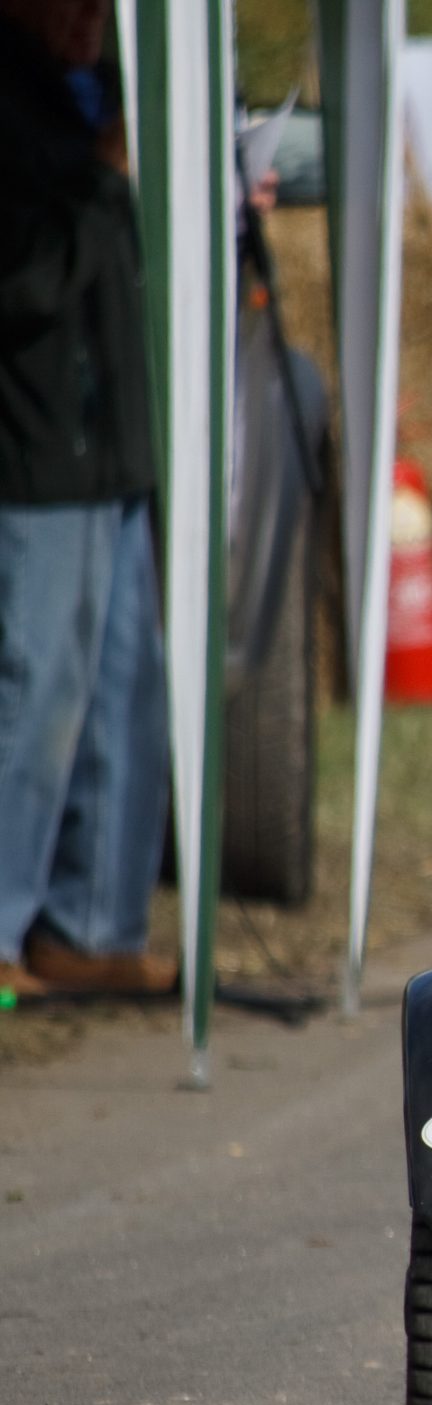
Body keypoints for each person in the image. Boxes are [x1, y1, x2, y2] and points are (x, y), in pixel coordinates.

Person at [0, 0, 176, 1002]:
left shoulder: (103, 97)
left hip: (115, 448)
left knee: (125, 689)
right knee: (40, 691)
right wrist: (105, 185)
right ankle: (7, 917)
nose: (84, 20)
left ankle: (92, 922)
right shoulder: (20, 113)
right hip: (38, 449)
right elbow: (22, 282)